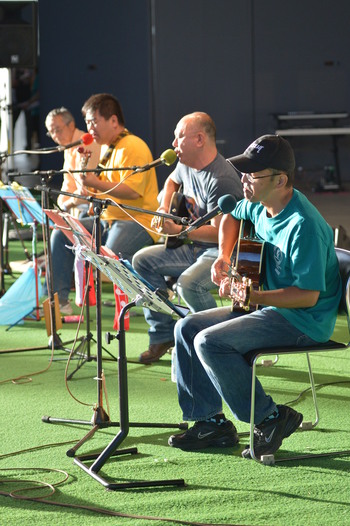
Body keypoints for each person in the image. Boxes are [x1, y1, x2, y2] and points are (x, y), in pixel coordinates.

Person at [168, 134, 342, 459]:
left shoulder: (303, 227)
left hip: (304, 320)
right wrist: (223, 256)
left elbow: (307, 296)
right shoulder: (262, 204)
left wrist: (256, 295)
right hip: (269, 307)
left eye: (252, 175)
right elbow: (232, 215)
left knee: (209, 342)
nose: (244, 180)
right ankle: (211, 422)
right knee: (186, 327)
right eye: (244, 173)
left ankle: (270, 416)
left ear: (281, 180)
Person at [132, 112, 243, 364]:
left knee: (188, 284)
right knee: (141, 261)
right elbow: (171, 181)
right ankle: (162, 334)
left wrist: (180, 231)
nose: (172, 144)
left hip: (221, 251)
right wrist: (163, 207)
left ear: (199, 139)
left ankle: (222, 344)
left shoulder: (221, 179)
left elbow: (220, 233)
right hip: (192, 246)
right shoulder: (185, 163)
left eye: (179, 137)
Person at [49, 93, 160, 315]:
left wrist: (95, 183)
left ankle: (151, 308)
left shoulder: (132, 145)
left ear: (113, 121)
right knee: (62, 232)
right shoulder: (109, 149)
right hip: (111, 219)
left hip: (137, 220)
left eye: (94, 121)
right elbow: (106, 190)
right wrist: (88, 189)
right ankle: (59, 301)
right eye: (88, 122)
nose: (90, 127)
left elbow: (133, 191)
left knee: (111, 253)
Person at [45, 107, 101, 217]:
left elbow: (86, 190)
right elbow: (68, 185)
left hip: (91, 208)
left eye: (57, 130)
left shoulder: (86, 144)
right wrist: (61, 206)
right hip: (76, 209)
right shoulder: (68, 147)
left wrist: (66, 206)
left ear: (71, 125)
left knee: (58, 234)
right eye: (51, 132)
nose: (55, 136)